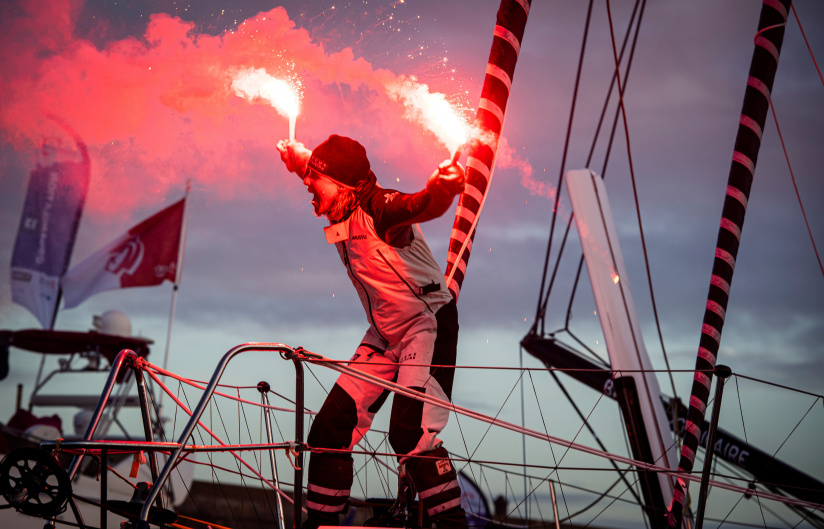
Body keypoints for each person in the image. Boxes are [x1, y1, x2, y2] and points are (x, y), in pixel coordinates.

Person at [277, 134, 468, 528]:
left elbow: (424, 204)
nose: (309, 184)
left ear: (347, 186)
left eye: (316, 180)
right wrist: (296, 158)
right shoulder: (340, 197)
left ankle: (451, 524)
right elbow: (310, 166)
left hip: (426, 326)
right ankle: (321, 526)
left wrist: (444, 187)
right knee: (329, 431)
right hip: (384, 333)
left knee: (410, 436)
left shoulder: (381, 209)